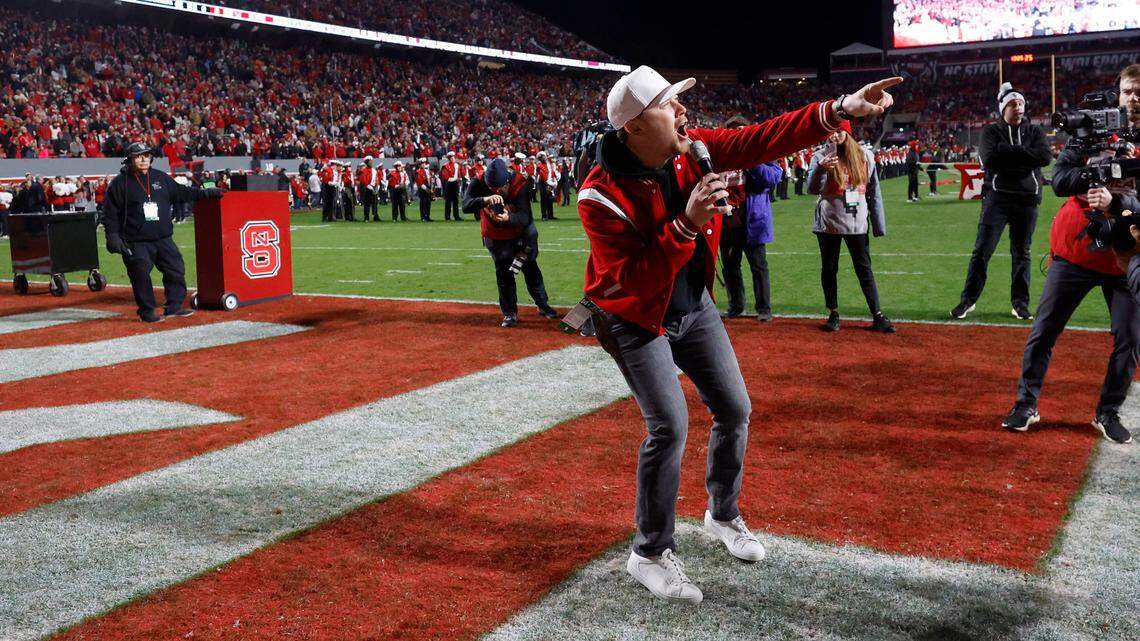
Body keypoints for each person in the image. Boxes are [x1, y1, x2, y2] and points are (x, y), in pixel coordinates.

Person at [578, 64, 900, 604]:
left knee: (735, 407)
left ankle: (721, 515)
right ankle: (649, 551)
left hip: (691, 302)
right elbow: (632, 281)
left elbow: (761, 138)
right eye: (668, 104)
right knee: (670, 427)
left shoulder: (690, 147)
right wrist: (684, 224)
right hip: (633, 317)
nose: (683, 111)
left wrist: (840, 107)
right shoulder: (597, 196)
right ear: (633, 127)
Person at [1002, 64, 1140, 444]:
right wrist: (1092, 172)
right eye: (1128, 90)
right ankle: (1025, 403)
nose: (1134, 98)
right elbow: (1059, 180)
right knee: (1045, 328)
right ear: (1118, 93)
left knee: (1130, 338)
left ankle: (1107, 411)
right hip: (1076, 249)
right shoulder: (1091, 133)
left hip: (1125, 255)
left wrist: (1119, 198)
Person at [951, 83, 1051, 321]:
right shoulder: (991, 132)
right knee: (982, 251)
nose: (1019, 108)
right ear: (1003, 108)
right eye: (1013, 104)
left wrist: (1008, 152)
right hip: (997, 199)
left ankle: (1020, 303)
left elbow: (1045, 157)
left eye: (1021, 103)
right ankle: (968, 300)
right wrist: (1025, 159)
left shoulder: (1035, 132)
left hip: (1027, 201)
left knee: (1022, 253)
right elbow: (989, 160)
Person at [102, 142, 223, 322]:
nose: (143, 159)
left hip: (163, 238)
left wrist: (206, 193)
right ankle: (147, 311)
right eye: (138, 156)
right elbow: (110, 213)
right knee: (141, 275)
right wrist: (112, 236)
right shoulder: (119, 184)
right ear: (129, 160)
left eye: (146, 155)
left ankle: (173, 307)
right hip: (136, 241)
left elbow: (182, 192)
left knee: (176, 269)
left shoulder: (160, 177)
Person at [808, 120, 894, 333]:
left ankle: (878, 314)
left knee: (864, 268)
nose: (834, 136)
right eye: (831, 132)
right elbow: (811, 189)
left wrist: (878, 224)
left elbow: (874, 191)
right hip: (829, 223)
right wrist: (820, 169)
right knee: (829, 268)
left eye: (839, 131)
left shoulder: (865, 156)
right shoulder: (820, 156)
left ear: (848, 132)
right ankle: (833, 313)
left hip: (857, 222)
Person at [462, 158, 559, 327]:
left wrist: (509, 218)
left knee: (530, 268)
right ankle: (509, 313)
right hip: (495, 236)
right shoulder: (478, 181)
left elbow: (525, 217)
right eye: (492, 188)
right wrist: (485, 199)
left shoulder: (519, 182)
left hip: (519, 234)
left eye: (499, 188)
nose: (497, 191)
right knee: (504, 273)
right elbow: (465, 205)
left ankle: (542, 304)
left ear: (507, 180)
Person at [439, 151, 463, 221]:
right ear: (449, 158)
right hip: (449, 184)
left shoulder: (457, 165)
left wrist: (459, 179)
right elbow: (446, 177)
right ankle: (447, 217)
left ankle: (456, 216)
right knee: (448, 202)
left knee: (456, 201)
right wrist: (456, 178)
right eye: (451, 158)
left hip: (455, 184)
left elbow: (458, 174)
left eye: (453, 157)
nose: (453, 159)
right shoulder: (445, 166)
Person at [357, 156, 382, 222]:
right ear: (367, 162)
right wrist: (369, 186)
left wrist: (377, 186)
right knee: (367, 204)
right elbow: (363, 180)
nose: (371, 162)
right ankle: (366, 217)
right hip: (367, 188)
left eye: (371, 161)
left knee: (375, 203)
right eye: (370, 161)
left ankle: (375, 216)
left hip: (374, 187)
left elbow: (377, 179)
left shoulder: (374, 170)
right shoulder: (363, 171)